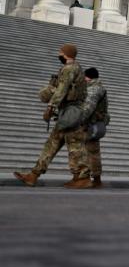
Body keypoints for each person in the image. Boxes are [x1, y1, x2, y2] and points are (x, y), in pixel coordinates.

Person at [14, 44, 90, 188]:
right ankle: (33, 175)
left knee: (75, 146)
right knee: (52, 144)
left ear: (66, 54)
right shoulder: (75, 68)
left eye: (60, 52)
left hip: (71, 113)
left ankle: (82, 178)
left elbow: (61, 90)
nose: (59, 54)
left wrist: (50, 107)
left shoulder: (69, 69)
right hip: (67, 113)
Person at [77, 67, 109, 188]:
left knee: (92, 152)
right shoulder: (97, 87)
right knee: (90, 152)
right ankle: (93, 178)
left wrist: (78, 120)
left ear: (88, 77)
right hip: (93, 124)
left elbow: (88, 108)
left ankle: (96, 179)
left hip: (91, 125)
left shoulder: (94, 89)